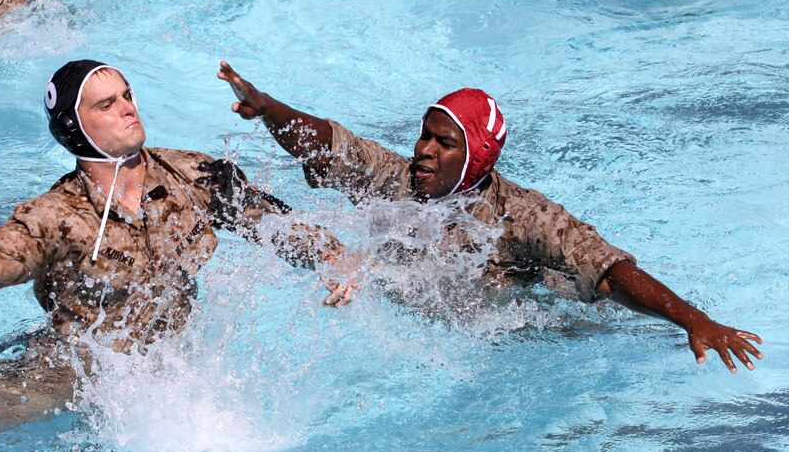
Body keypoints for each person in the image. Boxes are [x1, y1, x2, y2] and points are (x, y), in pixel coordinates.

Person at [0, 60, 353, 429]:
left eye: (127, 95)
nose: (128, 108)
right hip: (67, 372)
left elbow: (267, 220)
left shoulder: (192, 174)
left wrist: (329, 255)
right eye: (106, 104)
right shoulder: (55, 217)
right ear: (76, 129)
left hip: (167, 366)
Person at [216, 61, 764, 373]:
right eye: (424, 134)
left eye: (443, 141)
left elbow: (609, 269)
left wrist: (694, 320)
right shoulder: (397, 178)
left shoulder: (520, 217)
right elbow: (327, 144)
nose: (423, 150)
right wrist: (268, 109)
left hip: (505, 323)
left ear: (475, 155)